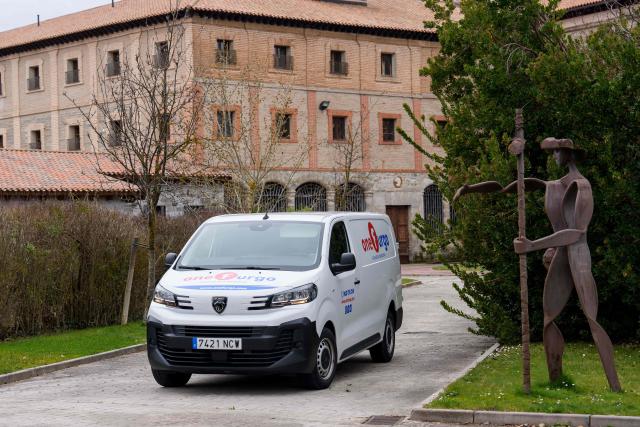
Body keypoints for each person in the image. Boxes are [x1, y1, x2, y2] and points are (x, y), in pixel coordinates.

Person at [454, 137, 621, 391]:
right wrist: (470, 188)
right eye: (552, 152)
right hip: (561, 256)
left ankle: (615, 385)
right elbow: (510, 188)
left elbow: (577, 232)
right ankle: (556, 381)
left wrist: (533, 245)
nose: (553, 157)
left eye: (556, 152)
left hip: (578, 255)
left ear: (568, 155)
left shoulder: (582, 186)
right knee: (548, 319)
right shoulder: (554, 185)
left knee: (592, 318)